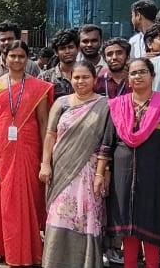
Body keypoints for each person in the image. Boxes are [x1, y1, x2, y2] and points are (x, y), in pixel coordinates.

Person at [96, 56, 160, 268]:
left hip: (156, 175)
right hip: (122, 176)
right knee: (128, 225)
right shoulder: (117, 106)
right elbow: (107, 144)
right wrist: (100, 174)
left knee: (151, 224)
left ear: (152, 76)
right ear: (128, 78)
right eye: (133, 73)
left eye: (142, 72)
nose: (138, 76)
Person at [0, 39, 54, 267]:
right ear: (5, 58)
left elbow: (43, 122)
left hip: (28, 148)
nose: (17, 60)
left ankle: (25, 249)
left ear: (27, 59)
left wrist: (46, 157)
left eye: (21, 56)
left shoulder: (38, 86)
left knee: (24, 197)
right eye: (13, 56)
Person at [39, 60, 109, 268]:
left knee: (86, 216)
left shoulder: (105, 105)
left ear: (94, 79)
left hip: (90, 171)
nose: (80, 81)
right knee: (59, 215)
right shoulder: (61, 103)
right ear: (70, 79)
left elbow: (107, 142)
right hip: (61, 169)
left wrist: (104, 171)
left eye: (85, 77)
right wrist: (45, 164)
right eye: (76, 77)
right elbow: (50, 134)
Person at [40, 28, 79, 99]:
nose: (67, 51)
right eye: (62, 48)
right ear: (56, 52)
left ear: (78, 49)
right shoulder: (45, 78)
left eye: (70, 47)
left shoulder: (87, 75)